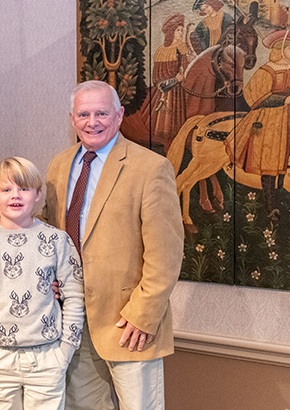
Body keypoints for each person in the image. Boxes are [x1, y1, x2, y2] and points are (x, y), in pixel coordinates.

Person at [42, 80, 183, 410]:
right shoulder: (58, 166)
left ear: (119, 116)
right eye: (84, 114)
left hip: (129, 324)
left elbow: (167, 253)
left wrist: (142, 316)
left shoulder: (151, 168)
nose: (93, 122)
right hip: (72, 321)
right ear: (72, 119)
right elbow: (48, 235)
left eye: (102, 113)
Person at [0, 157, 85, 409]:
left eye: (24, 188)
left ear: (38, 194)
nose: (15, 196)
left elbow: (75, 295)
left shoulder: (57, 240)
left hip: (48, 356)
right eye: (6, 189)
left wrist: (65, 350)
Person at [226, 29, 290, 221]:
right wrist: (284, 100)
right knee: (270, 161)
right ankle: (271, 207)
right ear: (279, 49)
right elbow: (253, 97)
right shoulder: (266, 71)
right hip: (268, 119)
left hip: (288, 117)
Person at [152, 14, 193, 148]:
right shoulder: (162, 52)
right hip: (169, 95)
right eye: (178, 30)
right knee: (169, 130)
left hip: (183, 93)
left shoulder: (183, 48)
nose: (180, 33)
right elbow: (157, 81)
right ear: (171, 32)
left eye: (181, 30)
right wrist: (175, 80)